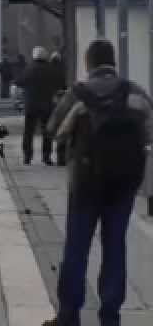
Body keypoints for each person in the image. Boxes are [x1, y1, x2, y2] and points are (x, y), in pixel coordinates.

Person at [43, 39, 153, 326]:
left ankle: (69, 315)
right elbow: (150, 132)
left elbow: (55, 130)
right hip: (123, 185)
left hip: (85, 184)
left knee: (77, 247)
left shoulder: (78, 95)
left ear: (88, 63)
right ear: (113, 62)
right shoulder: (135, 93)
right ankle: (110, 316)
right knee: (115, 245)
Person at [19, 46, 61, 165]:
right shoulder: (51, 69)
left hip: (31, 104)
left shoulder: (29, 69)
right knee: (47, 131)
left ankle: (27, 156)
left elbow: (19, 81)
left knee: (28, 131)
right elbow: (60, 83)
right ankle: (46, 156)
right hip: (47, 105)